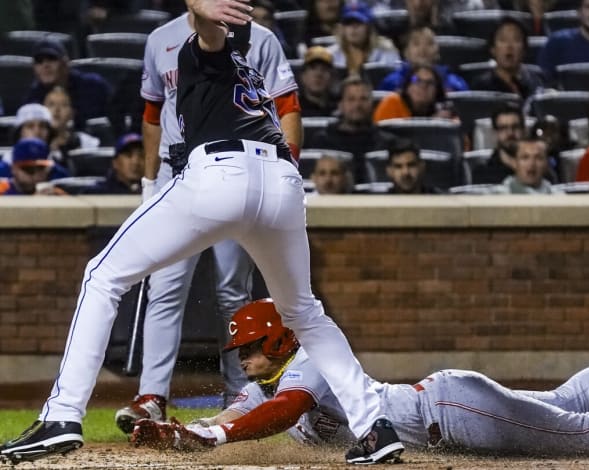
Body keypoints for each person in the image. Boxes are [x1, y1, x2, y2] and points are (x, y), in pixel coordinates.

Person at [0, 0, 404, 466]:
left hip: (219, 172)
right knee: (305, 313)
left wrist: (199, 8)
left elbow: (209, 33)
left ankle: (62, 416)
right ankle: (375, 426)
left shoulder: (202, 50)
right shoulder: (246, 68)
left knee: (103, 275)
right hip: (282, 182)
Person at [130, 299, 589, 456]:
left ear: (278, 339)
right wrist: (178, 428)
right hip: (448, 406)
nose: (244, 360)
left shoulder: (312, 363)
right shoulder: (263, 384)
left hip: (448, 413)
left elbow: (282, 413)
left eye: (251, 349)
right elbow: (236, 412)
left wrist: (212, 440)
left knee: (578, 433)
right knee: (565, 402)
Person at [114, 3, 305, 436]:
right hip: (175, 171)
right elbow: (151, 114)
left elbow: (287, 105)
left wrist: (288, 167)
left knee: (231, 289)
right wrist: (149, 181)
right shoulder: (160, 40)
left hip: (234, 170)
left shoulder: (262, 39)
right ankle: (151, 396)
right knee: (165, 285)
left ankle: (242, 393)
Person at [309, 76, 396, 184]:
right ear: (340, 105)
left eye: (363, 99)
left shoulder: (388, 143)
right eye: (351, 99)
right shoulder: (322, 141)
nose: (357, 105)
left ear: (372, 104)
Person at [24, 39, 112, 130]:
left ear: (65, 63)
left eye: (52, 59)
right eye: (39, 61)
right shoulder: (33, 98)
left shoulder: (94, 87)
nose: (45, 65)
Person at [470, 17, 544, 100]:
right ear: (492, 49)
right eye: (503, 40)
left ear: (524, 49)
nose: (509, 46)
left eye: (516, 39)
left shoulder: (536, 82)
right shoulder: (481, 87)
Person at [378, 25, 468, 93]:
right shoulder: (391, 83)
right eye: (416, 43)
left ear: (438, 52)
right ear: (406, 52)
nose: (423, 49)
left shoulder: (454, 83)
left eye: (429, 43)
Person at [326, 2, 400, 75]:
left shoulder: (386, 51)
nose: (353, 28)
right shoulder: (330, 54)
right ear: (342, 28)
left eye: (359, 23)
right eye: (348, 23)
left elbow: (396, 81)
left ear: (369, 28)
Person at [43, 86, 100, 169]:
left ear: (72, 113)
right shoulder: (35, 143)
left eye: (63, 105)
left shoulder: (86, 142)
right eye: (51, 105)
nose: (56, 110)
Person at [373, 64, 453, 123]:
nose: (423, 86)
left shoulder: (445, 112)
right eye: (417, 80)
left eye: (430, 82)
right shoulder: (392, 102)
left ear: (437, 90)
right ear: (407, 86)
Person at [470, 103, 525, 184]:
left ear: (524, 130)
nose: (510, 133)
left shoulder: (539, 169)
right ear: (495, 133)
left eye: (515, 127)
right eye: (503, 128)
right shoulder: (483, 174)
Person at [492, 137, 557, 194]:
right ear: (514, 162)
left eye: (538, 158)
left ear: (546, 163)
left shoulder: (557, 196)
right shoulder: (500, 196)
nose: (531, 163)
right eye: (525, 157)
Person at [0, 138, 64, 195]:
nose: (36, 175)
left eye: (41, 168)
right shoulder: (2, 190)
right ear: (14, 169)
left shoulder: (55, 194)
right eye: (29, 169)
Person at [298, 46, 339, 117]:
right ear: (303, 76)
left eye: (324, 69)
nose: (318, 74)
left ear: (332, 77)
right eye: (313, 68)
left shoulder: (341, 108)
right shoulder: (293, 109)